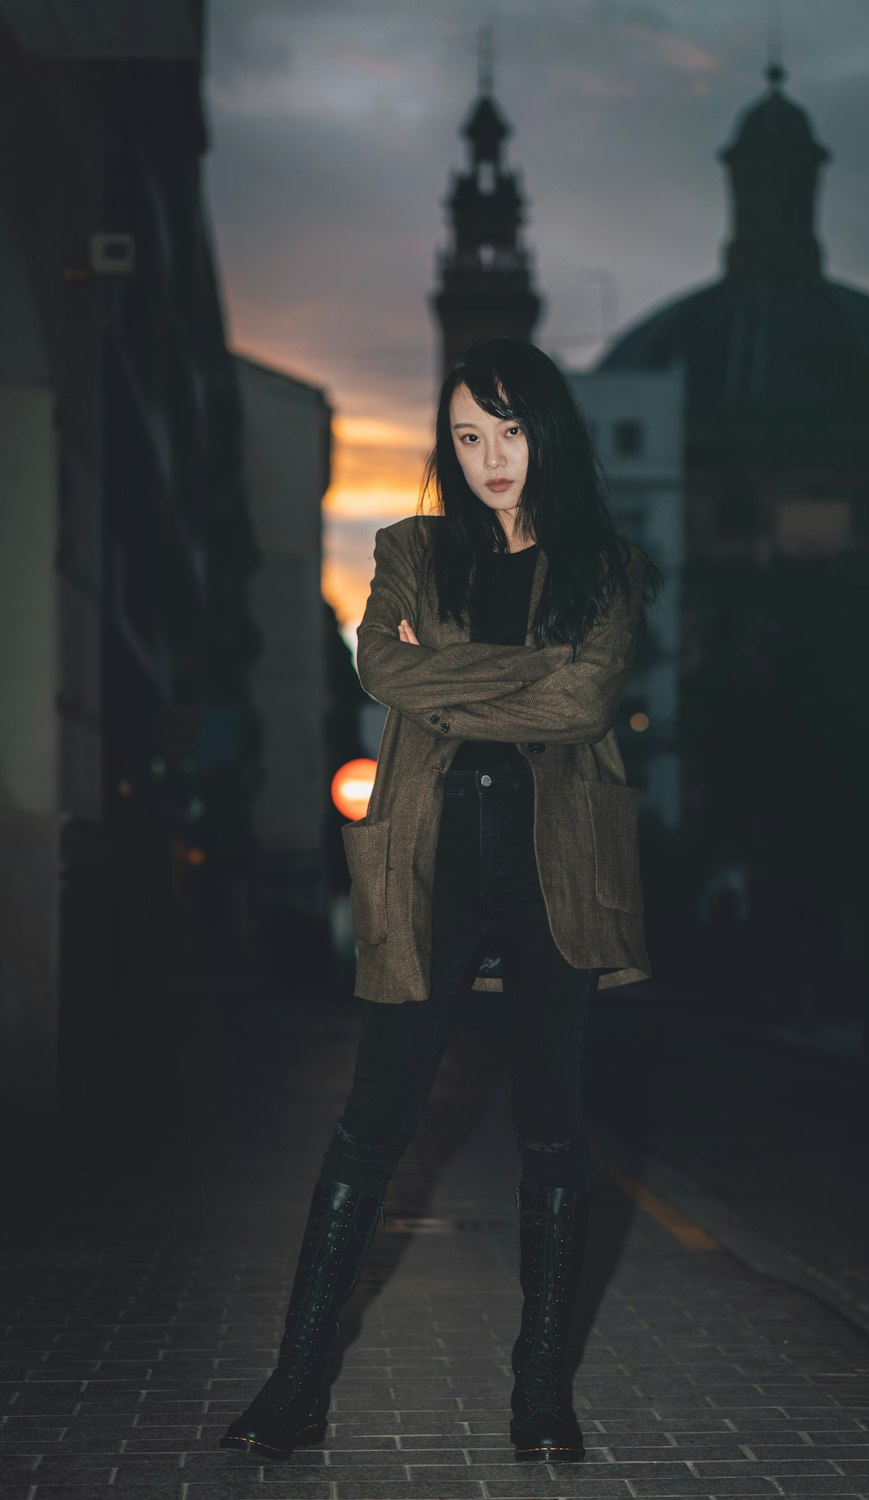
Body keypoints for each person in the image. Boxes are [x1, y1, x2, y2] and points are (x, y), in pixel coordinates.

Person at [221, 336, 661, 1465]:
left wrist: (461, 684)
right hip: (432, 855)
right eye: (467, 436)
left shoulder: (604, 567)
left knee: (555, 1132)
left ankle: (539, 1393)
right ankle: (295, 1382)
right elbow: (383, 670)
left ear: (545, 433)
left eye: (508, 431)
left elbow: (585, 702)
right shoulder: (411, 550)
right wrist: (529, 675)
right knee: (373, 1124)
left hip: (555, 858)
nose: (489, 458)